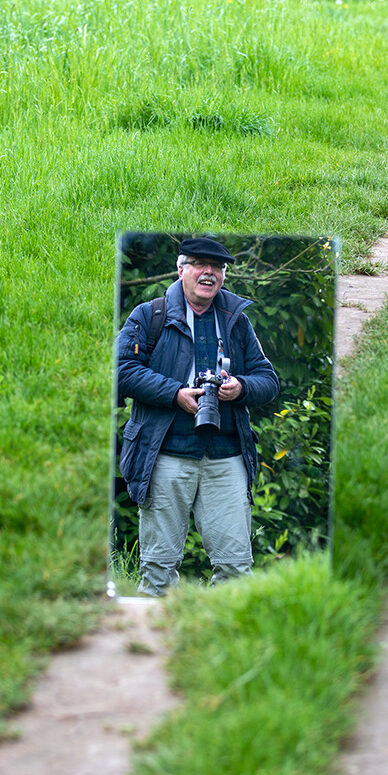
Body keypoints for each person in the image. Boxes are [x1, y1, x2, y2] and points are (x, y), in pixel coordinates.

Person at [116, 237, 279, 596]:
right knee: (157, 570)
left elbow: (268, 380)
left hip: (226, 456)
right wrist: (175, 394)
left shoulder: (237, 321)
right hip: (166, 453)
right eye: (200, 264)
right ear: (181, 269)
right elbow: (120, 369)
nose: (210, 272)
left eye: (217, 267)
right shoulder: (149, 314)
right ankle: (149, 647)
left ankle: (229, 648)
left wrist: (240, 388)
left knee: (236, 568)